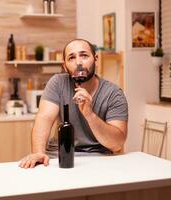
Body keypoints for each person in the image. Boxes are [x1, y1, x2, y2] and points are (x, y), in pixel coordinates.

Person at [19, 39, 128, 168]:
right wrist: (38, 152)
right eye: (71, 58)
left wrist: (89, 114)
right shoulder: (58, 83)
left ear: (96, 60)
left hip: (97, 158)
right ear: (65, 66)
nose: (78, 62)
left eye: (84, 55)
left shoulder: (114, 94)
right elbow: (44, 119)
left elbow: (117, 144)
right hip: (58, 154)